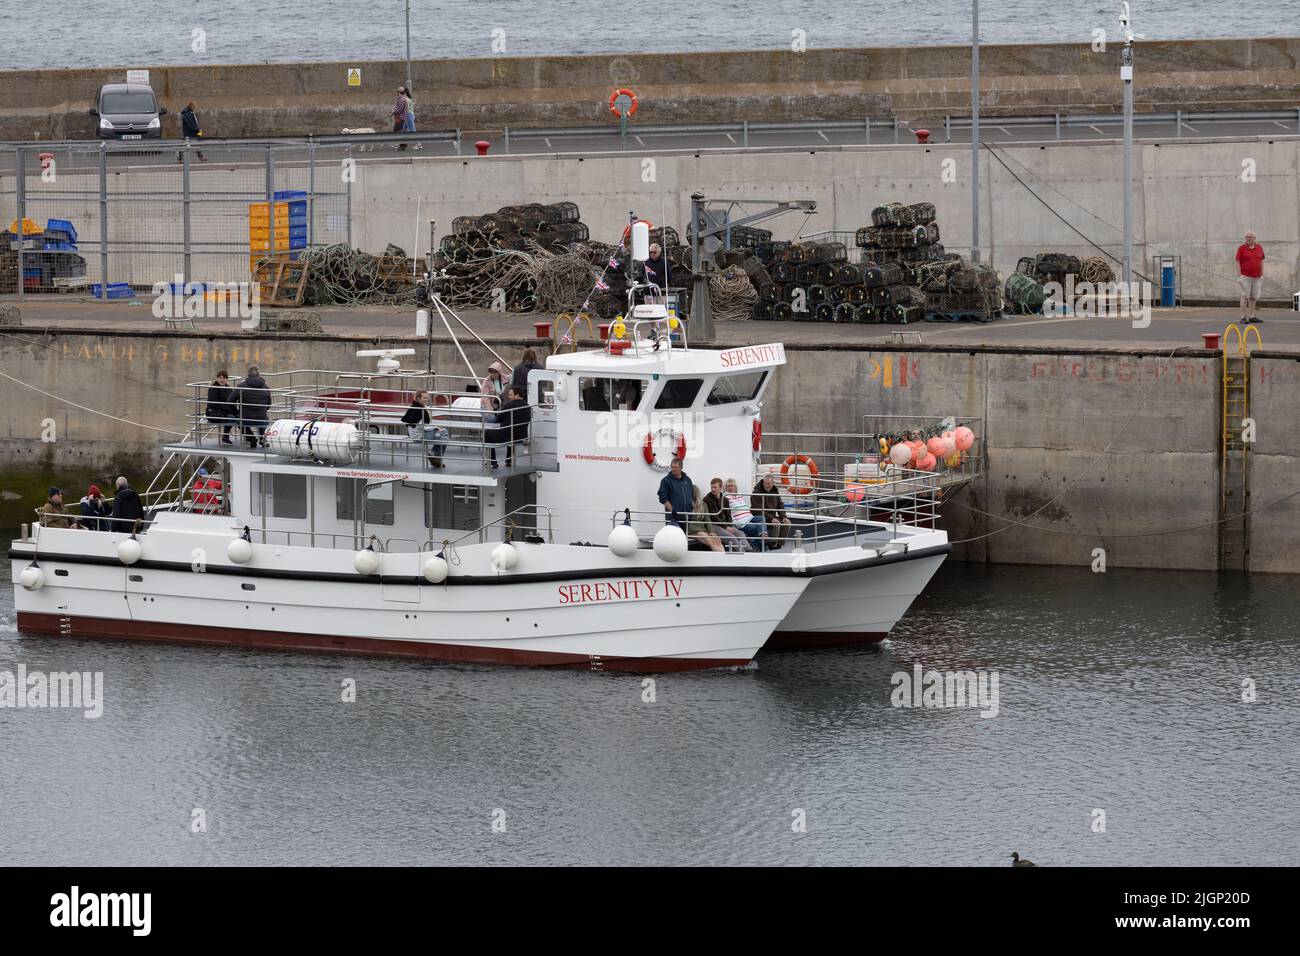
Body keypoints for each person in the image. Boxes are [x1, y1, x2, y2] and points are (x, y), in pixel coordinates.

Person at [402, 389, 447, 469]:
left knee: (441, 435)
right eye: (424, 398)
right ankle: (435, 456)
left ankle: (435, 457)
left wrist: (435, 428)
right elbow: (421, 426)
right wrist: (435, 427)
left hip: (418, 433)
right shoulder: (418, 409)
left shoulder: (417, 407)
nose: (426, 399)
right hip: (419, 435)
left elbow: (423, 425)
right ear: (418, 398)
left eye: (427, 398)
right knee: (443, 433)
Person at [487, 386, 531, 468]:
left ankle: (492, 462)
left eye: (510, 394)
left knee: (487, 434)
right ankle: (509, 460)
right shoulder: (528, 406)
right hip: (521, 437)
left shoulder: (509, 405)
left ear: (517, 395)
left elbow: (498, 419)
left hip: (506, 436)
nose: (509, 397)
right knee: (512, 432)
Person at [702, 477, 749, 552]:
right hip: (713, 525)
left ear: (720, 488)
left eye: (715, 487)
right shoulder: (707, 499)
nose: (713, 489)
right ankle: (742, 552)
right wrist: (726, 527)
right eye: (712, 487)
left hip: (723, 524)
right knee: (731, 537)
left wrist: (729, 525)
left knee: (740, 533)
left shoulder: (725, 499)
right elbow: (713, 517)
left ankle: (749, 549)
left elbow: (728, 515)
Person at [725, 478, 767, 550]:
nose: (730, 488)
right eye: (728, 486)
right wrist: (734, 523)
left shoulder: (739, 494)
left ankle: (762, 538)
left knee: (762, 518)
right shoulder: (726, 497)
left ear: (735, 487)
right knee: (758, 528)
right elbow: (728, 513)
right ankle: (763, 545)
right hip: (741, 522)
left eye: (732, 486)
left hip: (749, 517)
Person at [751, 473, 791, 549]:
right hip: (761, 518)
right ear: (763, 482)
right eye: (765, 483)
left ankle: (779, 546)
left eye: (769, 484)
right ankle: (772, 546)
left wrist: (784, 517)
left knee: (787, 524)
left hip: (772, 518)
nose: (766, 485)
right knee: (776, 525)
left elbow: (780, 505)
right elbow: (757, 510)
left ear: (772, 483)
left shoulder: (775, 491)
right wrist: (771, 519)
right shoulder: (756, 492)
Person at [1235, 231, 1265, 324]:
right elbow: (1237, 261)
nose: (1248, 238)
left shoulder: (1259, 247)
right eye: (1246, 237)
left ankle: (1252, 316)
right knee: (1245, 296)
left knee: (1253, 297)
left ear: (1254, 238)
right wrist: (1239, 274)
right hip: (1245, 276)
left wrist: (1262, 272)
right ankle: (1243, 317)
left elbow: (1262, 260)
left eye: (1250, 237)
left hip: (1257, 276)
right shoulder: (1242, 248)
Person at [239, 364, 271, 447]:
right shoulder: (266, 387)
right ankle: (262, 438)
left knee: (238, 419)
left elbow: (230, 400)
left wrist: (237, 411)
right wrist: (262, 410)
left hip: (246, 419)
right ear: (259, 374)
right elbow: (269, 404)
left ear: (248, 374)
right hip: (261, 419)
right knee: (263, 417)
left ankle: (251, 438)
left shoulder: (241, 386)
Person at [656, 457, 694, 529]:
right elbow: (663, 498)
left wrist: (692, 509)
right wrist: (673, 511)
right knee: (673, 538)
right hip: (673, 518)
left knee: (685, 538)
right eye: (672, 467)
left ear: (681, 467)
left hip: (687, 516)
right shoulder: (666, 480)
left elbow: (691, 495)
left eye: (675, 467)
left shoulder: (688, 480)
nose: (673, 469)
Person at [686, 485, 726, 552]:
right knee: (710, 541)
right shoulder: (686, 504)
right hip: (692, 530)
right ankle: (721, 556)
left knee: (717, 539)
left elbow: (707, 519)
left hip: (702, 530)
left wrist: (711, 531)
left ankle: (722, 555)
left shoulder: (703, 504)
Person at [205, 369, 238, 445]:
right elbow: (214, 404)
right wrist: (228, 409)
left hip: (224, 412)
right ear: (217, 378)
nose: (222, 380)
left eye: (224, 378)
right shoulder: (214, 388)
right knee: (232, 418)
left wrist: (235, 411)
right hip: (214, 413)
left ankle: (250, 437)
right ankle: (225, 437)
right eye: (220, 378)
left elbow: (232, 402)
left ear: (227, 379)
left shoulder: (228, 388)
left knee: (239, 417)